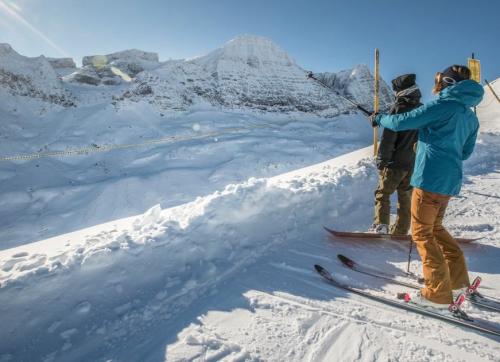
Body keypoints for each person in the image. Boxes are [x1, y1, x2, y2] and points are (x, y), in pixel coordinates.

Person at [371, 65, 484, 308]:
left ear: (448, 82)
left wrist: (380, 118)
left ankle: (437, 293)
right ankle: (457, 279)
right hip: (449, 180)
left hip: (429, 178)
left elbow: (401, 122)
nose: (436, 86)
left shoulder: (442, 106)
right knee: (435, 228)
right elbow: (464, 152)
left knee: (422, 233)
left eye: (439, 81)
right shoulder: (470, 115)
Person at [370, 74, 422, 235]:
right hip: (412, 162)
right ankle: (401, 229)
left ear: (400, 91)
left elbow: (388, 139)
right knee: (405, 197)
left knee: (382, 193)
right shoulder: (421, 109)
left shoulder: (398, 109)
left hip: (395, 163)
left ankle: (381, 225)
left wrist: (382, 160)